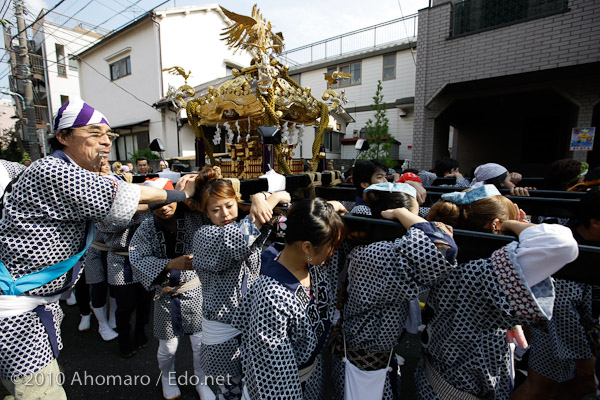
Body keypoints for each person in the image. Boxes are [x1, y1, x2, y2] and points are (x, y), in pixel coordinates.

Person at [0, 98, 195, 399]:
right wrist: (184, 192)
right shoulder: (53, 170)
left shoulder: (69, 174)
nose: (105, 141)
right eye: (93, 133)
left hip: (31, 307)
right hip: (17, 318)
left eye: (108, 134)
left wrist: (172, 200)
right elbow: (124, 197)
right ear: (63, 137)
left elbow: (125, 206)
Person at [414, 185, 579, 399]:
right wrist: (516, 224)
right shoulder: (487, 271)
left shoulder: (446, 256)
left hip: (434, 376)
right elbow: (562, 244)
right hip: (467, 387)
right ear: (495, 224)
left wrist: (506, 223)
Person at [331, 182, 458, 400]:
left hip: (369, 355)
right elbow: (444, 246)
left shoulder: (374, 243)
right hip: (365, 365)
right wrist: (402, 213)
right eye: (414, 217)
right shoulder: (382, 254)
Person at [232, 198, 347, 399]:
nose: (332, 252)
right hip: (285, 386)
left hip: (309, 371)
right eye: (331, 246)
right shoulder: (271, 294)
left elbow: (308, 219)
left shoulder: (311, 264)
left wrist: (328, 210)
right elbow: (274, 378)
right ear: (307, 248)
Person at [192, 174, 290, 399]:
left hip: (249, 326)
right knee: (229, 393)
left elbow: (253, 227)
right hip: (222, 331)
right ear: (206, 213)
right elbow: (237, 238)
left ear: (237, 203)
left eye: (229, 205)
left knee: (253, 389)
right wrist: (271, 199)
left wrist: (258, 197)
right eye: (215, 210)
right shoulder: (204, 235)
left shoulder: (242, 226)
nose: (225, 214)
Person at [129, 175, 215, 400]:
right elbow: (136, 257)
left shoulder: (196, 218)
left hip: (195, 290)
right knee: (168, 346)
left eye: (168, 201)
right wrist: (169, 264)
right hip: (165, 294)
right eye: (157, 204)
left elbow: (217, 213)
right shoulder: (146, 227)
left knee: (199, 343)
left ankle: (201, 381)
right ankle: (168, 379)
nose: (164, 208)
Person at [512, 187, 600, 400]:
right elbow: (562, 308)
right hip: (557, 330)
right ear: (595, 221)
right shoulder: (567, 250)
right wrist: (582, 356)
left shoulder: (566, 234)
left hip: (570, 330)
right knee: (539, 388)